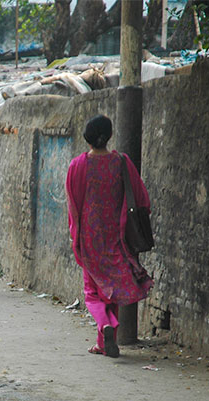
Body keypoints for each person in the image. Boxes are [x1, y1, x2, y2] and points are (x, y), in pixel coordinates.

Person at [65, 114, 154, 358]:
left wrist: (76, 235)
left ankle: (105, 326)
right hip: (117, 235)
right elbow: (141, 196)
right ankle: (105, 342)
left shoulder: (78, 166)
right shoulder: (121, 162)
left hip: (90, 236)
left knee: (92, 291)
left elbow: (74, 205)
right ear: (109, 135)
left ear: (88, 137)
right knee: (111, 289)